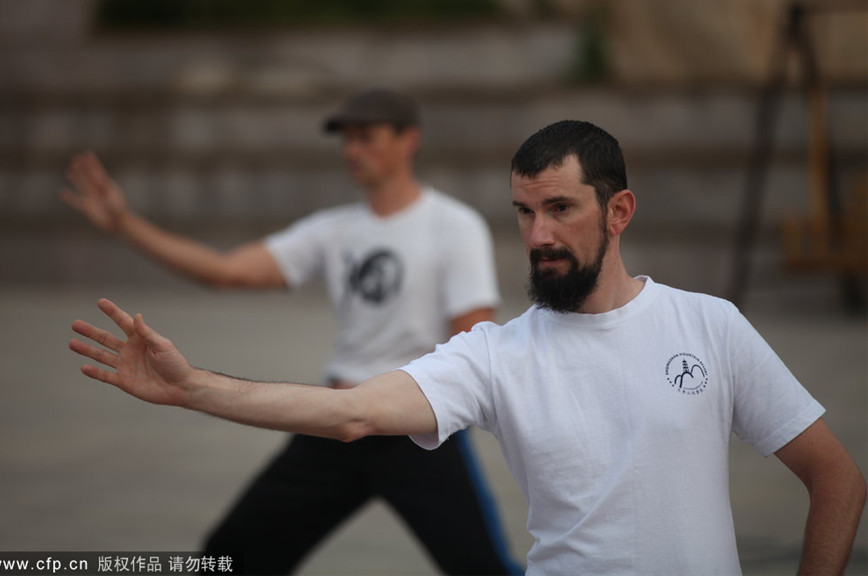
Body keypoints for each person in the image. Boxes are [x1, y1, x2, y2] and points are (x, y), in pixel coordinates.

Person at [69, 119, 867, 576]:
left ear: (619, 210)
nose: (539, 236)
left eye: (559, 208)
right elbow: (350, 412)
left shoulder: (710, 326)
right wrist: (191, 387)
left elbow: (835, 479)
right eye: (524, 213)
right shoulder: (496, 355)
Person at [61, 87, 522, 575]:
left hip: (415, 432)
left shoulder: (454, 225)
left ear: (409, 140)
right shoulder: (333, 228)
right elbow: (226, 271)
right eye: (346, 139)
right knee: (230, 554)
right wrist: (124, 224)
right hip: (332, 423)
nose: (352, 150)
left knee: (482, 568)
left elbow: (473, 340)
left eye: (366, 137)